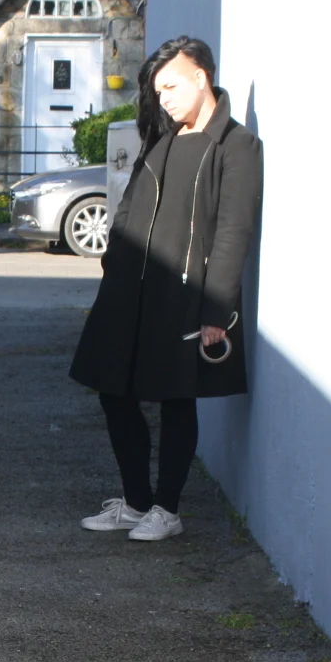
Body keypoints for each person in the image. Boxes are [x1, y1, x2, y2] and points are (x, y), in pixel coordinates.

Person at [69, 36, 263, 542]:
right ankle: (135, 502)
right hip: (130, 289)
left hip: (185, 295)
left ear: (201, 77)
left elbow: (233, 232)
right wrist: (114, 259)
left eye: (172, 86)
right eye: (158, 91)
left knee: (177, 398)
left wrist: (215, 310)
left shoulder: (238, 146)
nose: (165, 99)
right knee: (113, 390)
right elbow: (131, 202)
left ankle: (167, 509)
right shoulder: (164, 136)